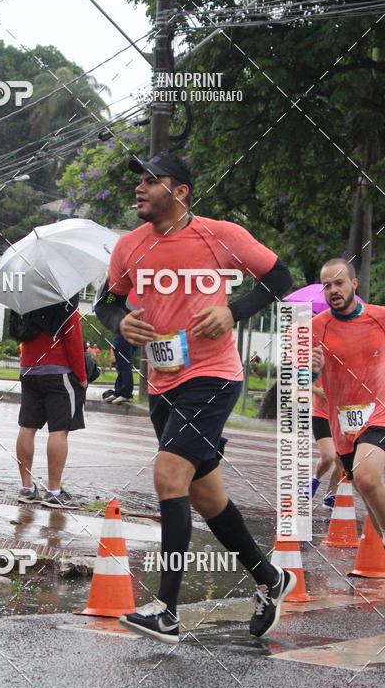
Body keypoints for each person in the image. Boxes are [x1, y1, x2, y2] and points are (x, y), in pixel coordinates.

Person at [96, 154, 294, 643]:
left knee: (168, 474)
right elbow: (106, 301)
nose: (139, 189)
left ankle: (166, 609)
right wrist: (120, 322)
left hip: (214, 376)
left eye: (151, 181)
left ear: (180, 191)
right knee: (207, 497)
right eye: (138, 181)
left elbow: (279, 277)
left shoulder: (220, 234)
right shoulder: (129, 246)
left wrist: (234, 310)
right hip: (162, 383)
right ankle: (270, 578)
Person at [312, 258, 385, 543]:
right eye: (327, 285)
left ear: (354, 284)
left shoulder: (379, 317)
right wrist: (313, 369)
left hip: (379, 411)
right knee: (366, 491)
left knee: (366, 477)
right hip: (343, 425)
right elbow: (301, 378)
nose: (333, 290)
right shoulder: (317, 328)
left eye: (339, 283)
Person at [12, 296, 87, 509]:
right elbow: (73, 337)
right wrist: (82, 376)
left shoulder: (25, 292)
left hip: (28, 367)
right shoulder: (64, 292)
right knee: (59, 430)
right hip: (58, 369)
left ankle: (27, 488)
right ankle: (54, 491)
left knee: (27, 427)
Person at [308, 371, 344, 507]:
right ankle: (315, 479)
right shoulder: (319, 358)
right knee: (328, 456)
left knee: (341, 461)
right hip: (320, 414)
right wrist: (317, 390)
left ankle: (330, 495)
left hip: (341, 415)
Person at [102, 332, 135, 404]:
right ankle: (118, 392)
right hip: (119, 337)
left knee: (125, 367)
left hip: (126, 337)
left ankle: (126, 394)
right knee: (120, 367)